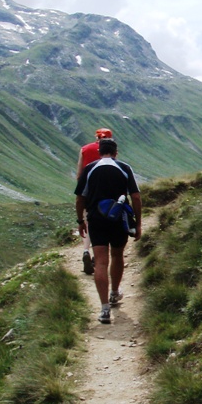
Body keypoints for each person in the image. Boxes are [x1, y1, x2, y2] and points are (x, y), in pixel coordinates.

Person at [75, 138, 142, 324]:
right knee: (118, 255)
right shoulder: (124, 168)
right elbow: (135, 197)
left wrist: (81, 221)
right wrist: (138, 223)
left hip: (96, 219)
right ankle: (114, 293)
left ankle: (104, 309)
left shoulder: (90, 169)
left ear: (99, 152)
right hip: (118, 218)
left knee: (101, 262)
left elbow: (80, 198)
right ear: (116, 152)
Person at [77, 128, 114, 274]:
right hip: (106, 191)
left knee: (88, 220)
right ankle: (100, 256)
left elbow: (79, 173)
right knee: (106, 220)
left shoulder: (85, 149)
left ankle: (86, 250)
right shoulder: (111, 150)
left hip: (88, 190)